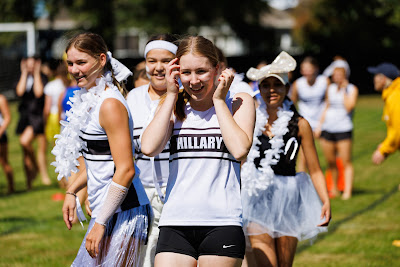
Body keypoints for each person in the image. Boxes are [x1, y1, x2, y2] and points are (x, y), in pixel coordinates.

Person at [141, 35, 255, 267]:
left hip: (222, 222)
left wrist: (219, 101)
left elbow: (240, 149)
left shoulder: (239, 102)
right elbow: (149, 147)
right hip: (175, 221)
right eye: (186, 72)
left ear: (217, 68)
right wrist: (172, 94)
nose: (193, 81)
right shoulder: (171, 104)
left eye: (201, 71)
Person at [55, 32, 151, 266]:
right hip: (106, 211)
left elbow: (126, 169)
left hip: (124, 211)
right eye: (70, 63)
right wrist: (72, 190)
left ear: (101, 60)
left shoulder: (109, 104)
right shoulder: (90, 98)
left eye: (81, 62)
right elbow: (100, 161)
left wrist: (100, 222)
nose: (75, 69)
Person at [242, 51, 331, 267]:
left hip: (288, 199)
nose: (271, 90)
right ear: (259, 88)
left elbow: (315, 169)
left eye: (277, 85)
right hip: (256, 197)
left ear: (287, 88)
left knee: (284, 264)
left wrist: (325, 200)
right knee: (266, 264)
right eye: (265, 85)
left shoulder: (300, 124)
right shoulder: (250, 119)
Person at [126, 33, 178, 267]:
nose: (158, 68)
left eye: (165, 61)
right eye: (152, 61)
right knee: (143, 260)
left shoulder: (187, 98)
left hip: (179, 192)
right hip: (141, 194)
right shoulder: (132, 98)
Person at [316, 62, 358, 200]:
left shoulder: (352, 89)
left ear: (345, 76)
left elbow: (349, 107)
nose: (338, 78)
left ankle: (347, 190)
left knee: (346, 162)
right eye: (336, 75)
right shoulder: (330, 88)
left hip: (343, 129)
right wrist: (319, 126)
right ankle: (334, 188)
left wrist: (344, 91)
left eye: (340, 75)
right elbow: (326, 107)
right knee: (331, 161)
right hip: (328, 128)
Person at [15, 55, 51, 189]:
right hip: (24, 117)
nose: (30, 67)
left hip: (38, 117)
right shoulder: (21, 77)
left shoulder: (42, 77)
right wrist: (24, 73)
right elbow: (19, 92)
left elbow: (38, 93)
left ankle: (43, 175)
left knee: (40, 149)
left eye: (32, 64)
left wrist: (36, 73)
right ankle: (29, 180)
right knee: (25, 151)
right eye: (28, 65)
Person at [290, 56, 330, 172]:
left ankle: (333, 188)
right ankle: (302, 185)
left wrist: (320, 125)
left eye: (309, 68)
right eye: (304, 69)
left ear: (316, 69)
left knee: (329, 156)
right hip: (305, 123)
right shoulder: (298, 84)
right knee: (304, 158)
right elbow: (293, 103)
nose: (306, 72)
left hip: (323, 122)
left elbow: (328, 102)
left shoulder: (324, 81)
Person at [367, 62, 400, 164]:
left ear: (384, 79)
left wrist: (383, 150)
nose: (374, 79)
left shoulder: (395, 96)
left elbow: (398, 131)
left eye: (376, 76)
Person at [44, 59, 70, 144]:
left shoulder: (50, 86)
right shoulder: (69, 84)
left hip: (53, 117)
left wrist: (44, 121)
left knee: (57, 147)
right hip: (66, 116)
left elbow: (47, 108)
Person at [0, 94, 14, 194]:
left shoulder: (1, 99)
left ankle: (11, 187)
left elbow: (7, 117)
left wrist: (1, 131)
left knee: (4, 162)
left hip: (1, 135)